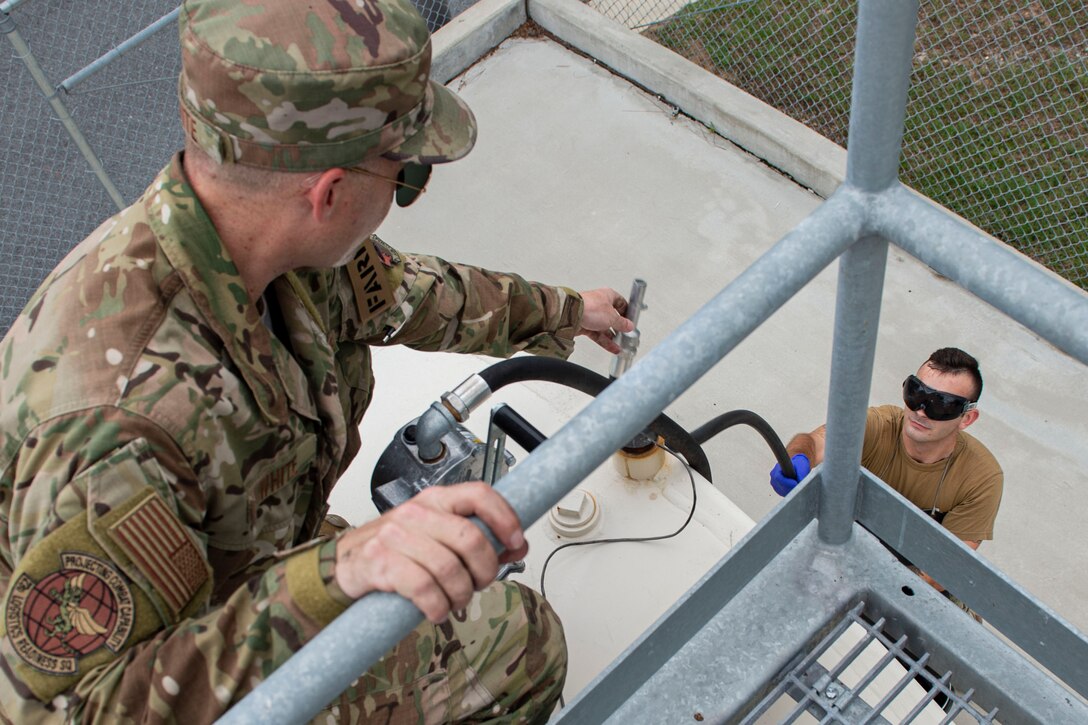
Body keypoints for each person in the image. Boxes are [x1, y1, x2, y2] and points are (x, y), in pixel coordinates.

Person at [0, 0, 636, 721]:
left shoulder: (268, 247)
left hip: (250, 576)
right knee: (522, 650)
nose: (403, 196)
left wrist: (562, 312)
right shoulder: (123, 419)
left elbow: (412, 294)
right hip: (178, 667)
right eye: (405, 175)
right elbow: (73, 710)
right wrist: (334, 573)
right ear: (329, 192)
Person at [769, 348, 1003, 599]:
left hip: (913, 587)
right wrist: (797, 457)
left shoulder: (980, 477)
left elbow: (943, 572)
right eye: (916, 393)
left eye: (941, 404)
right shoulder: (878, 426)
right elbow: (815, 441)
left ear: (966, 418)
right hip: (843, 553)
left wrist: (863, 592)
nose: (921, 411)